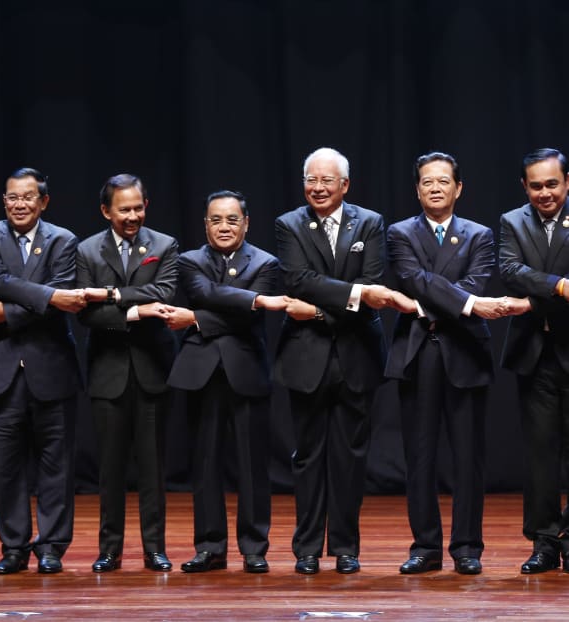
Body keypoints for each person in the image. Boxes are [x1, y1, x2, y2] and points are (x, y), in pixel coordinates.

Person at [275, 147, 399, 575]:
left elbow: (373, 286)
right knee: (308, 456)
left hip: (356, 355)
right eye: (311, 179)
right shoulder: (289, 224)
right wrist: (354, 295)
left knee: (351, 457)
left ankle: (346, 547)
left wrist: (318, 311)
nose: (318, 187)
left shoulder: (370, 223)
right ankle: (307, 548)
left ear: (345, 185)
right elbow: (298, 280)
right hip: (305, 357)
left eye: (327, 180)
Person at [386, 151, 507, 575]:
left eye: (443, 181)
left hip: (465, 352)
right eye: (427, 182)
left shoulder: (480, 235)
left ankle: (467, 547)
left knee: (468, 456)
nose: (435, 188)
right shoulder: (400, 233)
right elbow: (412, 279)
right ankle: (425, 547)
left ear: (458, 188)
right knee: (419, 455)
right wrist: (467, 305)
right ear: (417, 190)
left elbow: (475, 282)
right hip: (418, 352)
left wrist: (439, 301)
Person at [0, 168, 84, 574]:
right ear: (4, 201)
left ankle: (51, 546)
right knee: (7, 465)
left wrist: (8, 312)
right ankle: (13, 546)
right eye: (13, 197)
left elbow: (63, 293)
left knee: (56, 465)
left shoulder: (64, 240)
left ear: (43, 202)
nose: (20, 204)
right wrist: (50, 297)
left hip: (51, 365)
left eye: (28, 197)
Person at [163, 190, 288, 574]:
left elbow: (247, 317)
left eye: (232, 220)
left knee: (253, 465)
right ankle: (210, 547)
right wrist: (252, 300)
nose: (224, 227)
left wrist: (196, 319)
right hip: (201, 374)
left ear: (246, 223)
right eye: (216, 219)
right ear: (205, 224)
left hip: (246, 371)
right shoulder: (189, 261)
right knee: (204, 463)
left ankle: (254, 548)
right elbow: (203, 293)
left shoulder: (266, 262)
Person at [76, 173, 179, 572]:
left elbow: (164, 293)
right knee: (110, 468)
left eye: (138, 208)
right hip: (107, 371)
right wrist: (136, 311)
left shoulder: (164, 245)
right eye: (124, 210)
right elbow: (87, 314)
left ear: (146, 206)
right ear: (106, 211)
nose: (133, 216)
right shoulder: (87, 250)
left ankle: (155, 547)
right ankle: (110, 549)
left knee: (153, 467)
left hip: (152, 368)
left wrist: (112, 295)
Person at [498, 147, 569, 574]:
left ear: (567, 182)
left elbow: (525, 282)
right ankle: (544, 543)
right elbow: (510, 271)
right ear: (525, 186)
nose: (545, 193)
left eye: (552, 184)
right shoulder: (512, 221)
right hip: (535, 355)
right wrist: (559, 285)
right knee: (540, 456)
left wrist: (532, 298)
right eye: (536, 186)